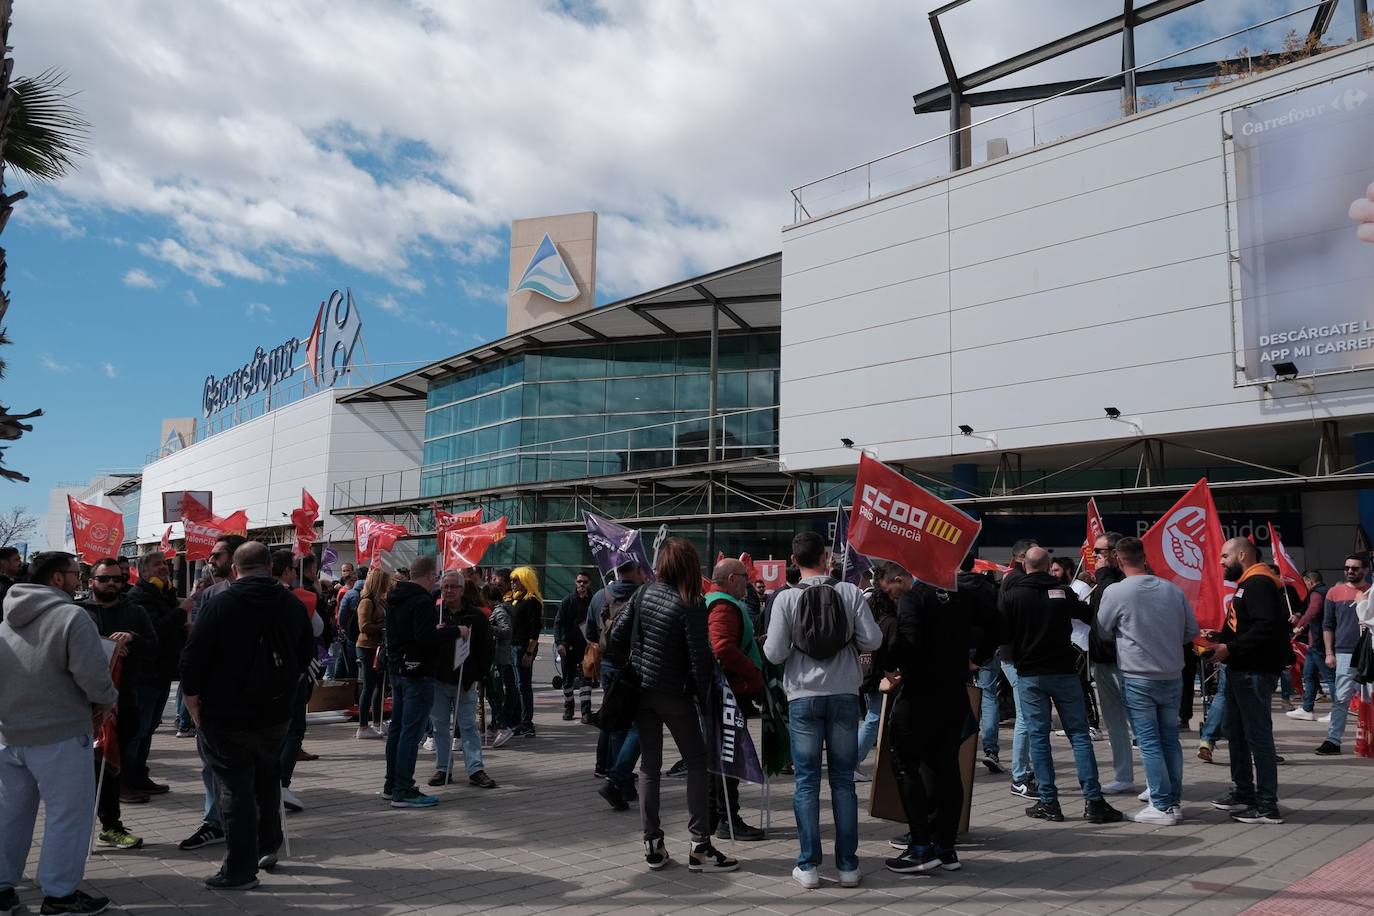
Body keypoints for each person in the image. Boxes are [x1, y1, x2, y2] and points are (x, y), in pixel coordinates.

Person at [181, 541, 315, 889]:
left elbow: (194, 655)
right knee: (266, 778)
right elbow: (306, 653)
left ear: (236, 570)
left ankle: (240, 869)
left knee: (235, 787)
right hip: (275, 710)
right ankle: (267, 845)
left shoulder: (221, 602)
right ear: (270, 566)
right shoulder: (291, 602)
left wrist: (192, 698)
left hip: (227, 712)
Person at [605, 538, 738, 874]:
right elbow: (700, 661)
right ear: (690, 567)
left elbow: (614, 639)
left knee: (649, 767)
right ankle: (700, 846)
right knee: (697, 763)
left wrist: (634, 665)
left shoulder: (643, 593)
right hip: (675, 694)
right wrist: (706, 699)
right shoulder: (691, 603)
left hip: (640, 692)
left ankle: (653, 844)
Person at [0, 551, 118, 916]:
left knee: (10, 814)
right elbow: (92, 675)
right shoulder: (71, 616)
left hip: (9, 734)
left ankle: (3, 891)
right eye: (75, 573)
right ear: (56, 579)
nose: (79, 579)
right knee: (69, 815)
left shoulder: (6, 621)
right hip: (60, 734)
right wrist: (108, 700)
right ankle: (60, 895)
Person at [764, 531, 882, 889]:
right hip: (845, 693)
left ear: (794, 561)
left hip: (802, 696)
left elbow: (774, 653)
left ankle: (809, 866)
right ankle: (848, 866)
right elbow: (873, 640)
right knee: (844, 783)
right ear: (826, 557)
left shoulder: (785, 598)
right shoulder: (848, 592)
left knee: (806, 784)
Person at [1001, 547, 1122, 825]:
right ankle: (1093, 801)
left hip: (1030, 674)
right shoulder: (1062, 592)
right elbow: (1087, 614)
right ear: (1046, 567)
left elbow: (1002, 633)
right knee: (1079, 734)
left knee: (1039, 737)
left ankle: (1049, 802)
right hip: (1064, 672)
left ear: (1025, 565)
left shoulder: (1012, 595)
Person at [1096, 537, 1198, 826]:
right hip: (1171, 674)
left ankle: (1163, 806)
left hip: (1138, 675)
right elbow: (1191, 630)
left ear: (1117, 558)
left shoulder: (1116, 591)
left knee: (1151, 742)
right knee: (1169, 740)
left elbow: (1103, 630)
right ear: (1144, 556)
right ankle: (1172, 802)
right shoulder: (1172, 589)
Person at [884, 566, 975, 874]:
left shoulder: (913, 598)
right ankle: (945, 848)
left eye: (889, 588)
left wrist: (887, 664)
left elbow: (908, 640)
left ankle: (921, 847)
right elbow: (993, 625)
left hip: (920, 695)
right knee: (947, 767)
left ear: (901, 578)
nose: (890, 595)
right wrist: (975, 660)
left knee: (906, 765)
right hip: (954, 695)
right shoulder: (957, 595)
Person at [1208, 537, 1292, 825]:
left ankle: (1268, 805)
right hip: (1240, 669)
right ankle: (1244, 792)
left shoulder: (1258, 583)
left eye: (1224, 556)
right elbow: (1247, 624)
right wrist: (1220, 638)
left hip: (1254, 671)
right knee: (1237, 732)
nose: (1220, 562)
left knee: (1258, 737)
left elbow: (1266, 627)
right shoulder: (1249, 582)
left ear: (1241, 554)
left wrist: (1230, 648)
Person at [81, 558, 157, 850]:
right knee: (85, 769)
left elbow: (155, 648)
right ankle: (79, 828)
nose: (111, 583)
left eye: (116, 579)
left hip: (124, 701)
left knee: (111, 767)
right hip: (82, 705)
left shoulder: (134, 611)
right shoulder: (78, 612)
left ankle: (111, 825)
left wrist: (132, 639)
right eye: (104, 579)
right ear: (91, 582)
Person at [705, 558, 766, 841]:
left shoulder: (717, 603)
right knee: (727, 756)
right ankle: (726, 818)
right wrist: (752, 674)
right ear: (731, 578)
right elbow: (722, 648)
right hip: (728, 692)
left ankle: (717, 816)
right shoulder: (723, 606)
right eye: (745, 576)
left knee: (721, 756)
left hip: (724, 690)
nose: (749, 581)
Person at [122, 551, 186, 802]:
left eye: (165, 564)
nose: (164, 568)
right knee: (137, 731)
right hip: (145, 674)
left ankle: (140, 776)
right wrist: (182, 611)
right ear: (144, 571)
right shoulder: (139, 596)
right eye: (157, 564)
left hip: (161, 673)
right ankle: (125, 781)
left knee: (149, 729)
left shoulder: (164, 592)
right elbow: (156, 629)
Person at [383, 556, 445, 808]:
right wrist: (449, 631)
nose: (436, 581)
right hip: (418, 673)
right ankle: (403, 789)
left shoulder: (396, 598)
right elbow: (425, 638)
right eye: (436, 576)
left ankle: (392, 784)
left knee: (398, 729)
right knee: (411, 731)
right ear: (429, 576)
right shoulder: (422, 601)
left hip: (398, 670)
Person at [428, 573, 497, 789]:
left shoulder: (475, 617)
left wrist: (475, 674)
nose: (449, 591)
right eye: (445, 587)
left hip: (464, 680)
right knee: (439, 726)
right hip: (439, 679)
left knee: (468, 726)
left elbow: (487, 650)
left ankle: (475, 769)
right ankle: (443, 768)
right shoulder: (435, 614)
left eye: (453, 587)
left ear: (462, 589)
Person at [271, 550, 324, 812]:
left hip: (258, 676)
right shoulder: (298, 598)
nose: (296, 572)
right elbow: (318, 629)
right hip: (291, 673)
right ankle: (280, 784)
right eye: (293, 568)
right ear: (286, 571)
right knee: (293, 729)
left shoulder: (239, 594)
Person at [590, 560, 646, 809]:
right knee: (638, 726)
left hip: (609, 665)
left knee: (616, 724)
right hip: (634, 666)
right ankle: (618, 779)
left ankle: (622, 785)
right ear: (635, 572)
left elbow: (591, 633)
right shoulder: (643, 595)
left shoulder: (601, 595)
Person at [1087, 532, 1137, 796]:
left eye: (1099, 551)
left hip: (1123, 661)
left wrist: (1105, 574)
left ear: (1114, 555)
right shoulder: (1101, 581)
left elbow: (1111, 607)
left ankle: (1156, 783)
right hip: (1103, 660)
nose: (1094, 556)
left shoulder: (1119, 580)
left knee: (1138, 722)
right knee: (1114, 721)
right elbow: (1096, 616)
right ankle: (1123, 775)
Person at [1315, 555, 1370, 754]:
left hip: (1370, 651)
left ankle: (1369, 738)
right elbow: (1328, 625)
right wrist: (1329, 653)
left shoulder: (1371, 591)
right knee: (1341, 698)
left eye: (1355, 568)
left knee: (1371, 697)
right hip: (1345, 652)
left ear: (1365, 570)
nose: (1350, 571)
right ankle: (1333, 740)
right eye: (1347, 568)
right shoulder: (1334, 592)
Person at [856, 564, 907, 775]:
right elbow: (892, 651)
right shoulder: (891, 623)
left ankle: (858, 760)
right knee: (875, 718)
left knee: (874, 717)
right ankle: (853, 760)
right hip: (883, 677)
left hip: (868, 674)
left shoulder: (874, 619)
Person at [1287, 570, 1332, 722]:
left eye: (1305, 583)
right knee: (1309, 675)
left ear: (1309, 581)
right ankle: (1307, 709)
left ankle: (1338, 711)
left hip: (1319, 641)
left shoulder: (1317, 593)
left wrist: (1299, 626)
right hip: (1315, 643)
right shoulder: (1327, 591)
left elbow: (1312, 611)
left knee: (1330, 677)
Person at [354, 567, 392, 739]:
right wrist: (383, 627)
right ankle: (363, 725)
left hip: (378, 646)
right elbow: (363, 626)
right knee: (369, 686)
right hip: (367, 647)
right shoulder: (366, 601)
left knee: (379, 685)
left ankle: (377, 721)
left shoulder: (380, 601)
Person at [507, 567, 544, 738]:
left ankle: (527, 723)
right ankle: (522, 722)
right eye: (512, 580)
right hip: (514, 646)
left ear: (525, 580)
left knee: (524, 686)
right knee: (518, 685)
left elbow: (535, 631)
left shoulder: (532, 601)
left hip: (523, 648)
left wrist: (529, 652)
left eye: (516, 580)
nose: (512, 583)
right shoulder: (517, 600)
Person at [554, 572, 594, 722]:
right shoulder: (568, 601)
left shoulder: (593, 601)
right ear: (575, 582)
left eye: (584, 582)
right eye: (579, 581)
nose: (581, 584)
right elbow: (558, 623)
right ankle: (568, 708)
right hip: (568, 646)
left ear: (588, 583)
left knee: (586, 680)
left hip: (586, 647)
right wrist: (559, 643)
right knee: (567, 680)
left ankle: (586, 712)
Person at [484, 584, 517, 748]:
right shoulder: (501, 610)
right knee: (494, 693)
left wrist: (489, 628)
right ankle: (495, 725)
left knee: (495, 693)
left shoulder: (499, 611)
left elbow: (506, 631)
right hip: (499, 656)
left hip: (499, 657)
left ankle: (502, 725)